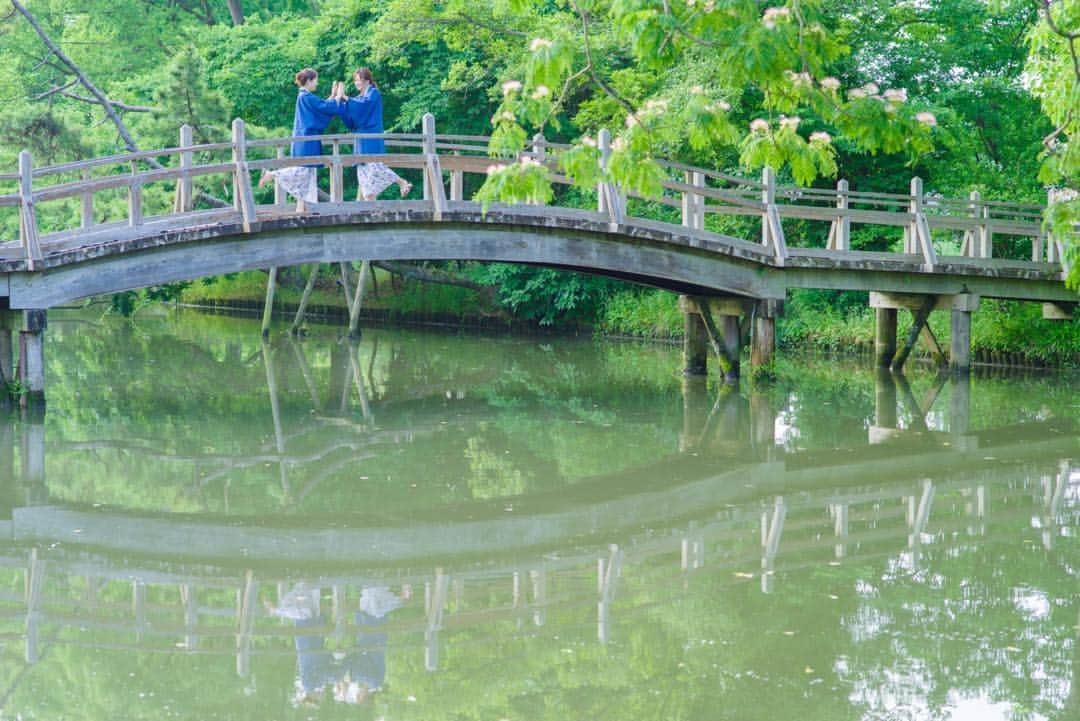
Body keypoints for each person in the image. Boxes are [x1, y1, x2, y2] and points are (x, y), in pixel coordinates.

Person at [259, 68, 344, 210]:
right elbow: (323, 107)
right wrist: (338, 97)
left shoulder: (304, 96)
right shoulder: (306, 96)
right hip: (306, 140)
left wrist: (333, 96)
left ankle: (301, 209)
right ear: (309, 81)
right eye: (315, 80)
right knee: (303, 172)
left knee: (306, 176)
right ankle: (272, 174)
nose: (316, 83)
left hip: (304, 139)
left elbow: (321, 107)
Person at [336, 68, 412, 201]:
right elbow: (352, 116)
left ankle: (402, 182)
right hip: (360, 139)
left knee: (375, 167)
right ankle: (372, 209)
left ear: (366, 80)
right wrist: (341, 102)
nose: (356, 83)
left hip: (371, 137)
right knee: (364, 177)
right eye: (355, 80)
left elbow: (364, 105)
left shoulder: (373, 93)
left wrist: (346, 98)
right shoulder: (359, 98)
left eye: (358, 80)